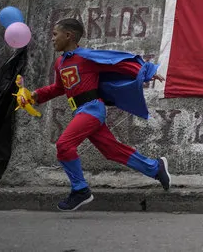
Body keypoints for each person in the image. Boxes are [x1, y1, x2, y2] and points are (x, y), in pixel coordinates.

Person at [30, 18, 171, 211]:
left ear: (69, 35)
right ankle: (155, 168)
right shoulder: (60, 63)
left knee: (64, 145)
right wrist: (36, 96)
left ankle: (80, 190)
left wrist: (146, 71)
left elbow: (116, 62)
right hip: (80, 111)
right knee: (111, 150)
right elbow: (58, 88)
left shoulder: (86, 57)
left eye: (55, 34)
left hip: (92, 109)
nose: (52, 39)